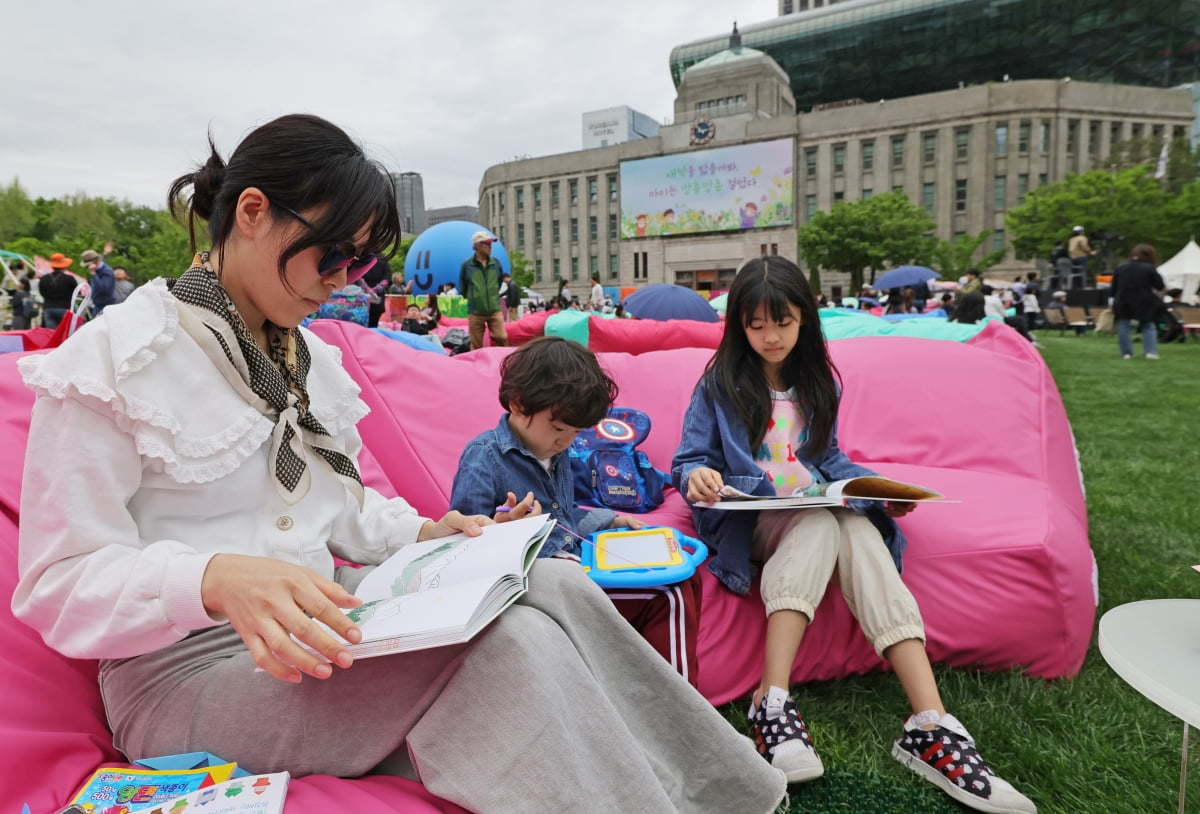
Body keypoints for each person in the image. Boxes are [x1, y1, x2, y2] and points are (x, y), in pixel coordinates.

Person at [11, 114, 786, 814]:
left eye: (361, 263)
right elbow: (55, 584)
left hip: (333, 614)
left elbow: (342, 506)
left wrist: (431, 533)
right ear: (252, 212)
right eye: (334, 253)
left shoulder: (309, 357)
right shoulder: (116, 361)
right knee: (509, 644)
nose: (344, 278)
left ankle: (728, 794)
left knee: (550, 579)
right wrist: (211, 578)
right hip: (191, 672)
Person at [670, 256, 1035, 813]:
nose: (771, 336)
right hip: (749, 521)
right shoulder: (720, 384)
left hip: (810, 515)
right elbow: (689, 460)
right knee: (823, 518)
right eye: (756, 324)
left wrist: (874, 489)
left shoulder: (817, 383)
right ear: (739, 325)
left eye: (783, 322)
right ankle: (772, 703)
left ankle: (930, 723)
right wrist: (698, 476)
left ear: (805, 320)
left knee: (853, 523)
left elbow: (828, 458)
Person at [449, 337, 703, 688]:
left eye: (576, 434)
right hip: (537, 585)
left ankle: (657, 697)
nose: (565, 442)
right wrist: (503, 528)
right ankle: (683, 713)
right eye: (558, 430)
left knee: (685, 576)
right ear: (520, 405)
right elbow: (461, 544)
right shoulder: (484, 457)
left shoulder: (556, 452)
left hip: (576, 569)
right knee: (669, 592)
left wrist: (610, 519)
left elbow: (563, 517)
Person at [1112, 243, 1166, 359]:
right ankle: (1150, 352)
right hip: (1143, 300)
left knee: (1124, 326)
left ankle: (1126, 353)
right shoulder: (1149, 268)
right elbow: (1160, 286)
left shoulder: (1120, 267)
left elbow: (1114, 288)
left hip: (1122, 299)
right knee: (1148, 325)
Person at [458, 231, 507, 350]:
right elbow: (462, 286)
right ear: (478, 246)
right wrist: (473, 298)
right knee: (475, 344)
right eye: (487, 244)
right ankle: (476, 367)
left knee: (501, 337)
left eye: (490, 244)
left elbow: (499, 282)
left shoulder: (496, 263)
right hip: (475, 311)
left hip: (494, 309)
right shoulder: (467, 265)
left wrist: (493, 296)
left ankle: (503, 362)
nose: (490, 247)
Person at [38, 252, 78, 330]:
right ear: (64, 266)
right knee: (65, 333)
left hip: (48, 308)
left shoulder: (44, 279)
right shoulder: (69, 279)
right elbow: (77, 293)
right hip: (65, 308)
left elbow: (42, 293)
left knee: (51, 333)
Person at [81, 245, 117, 316]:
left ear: (95, 262)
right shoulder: (99, 270)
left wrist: (93, 274)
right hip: (98, 304)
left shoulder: (106, 271)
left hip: (105, 306)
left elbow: (104, 289)